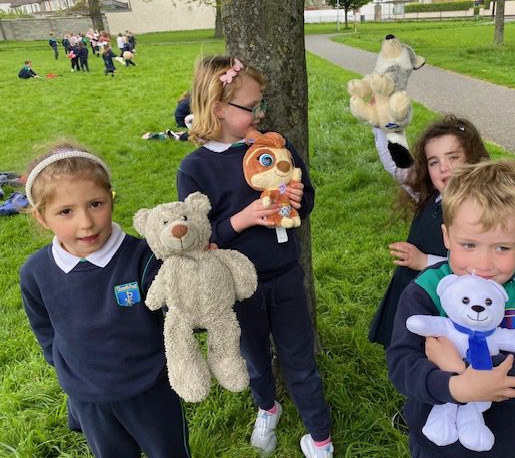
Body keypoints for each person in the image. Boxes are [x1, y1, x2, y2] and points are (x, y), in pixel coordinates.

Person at [177, 56, 333, 458]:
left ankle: (320, 438)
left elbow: (307, 200)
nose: (260, 113)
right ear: (218, 108)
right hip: (237, 286)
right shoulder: (195, 169)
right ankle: (267, 407)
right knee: (255, 359)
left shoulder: (274, 147)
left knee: (300, 361)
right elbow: (197, 239)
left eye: (259, 104)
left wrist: (298, 198)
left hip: (286, 277)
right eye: (251, 106)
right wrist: (242, 220)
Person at [387, 159, 515, 458]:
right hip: (434, 443)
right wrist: (456, 388)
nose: (483, 265)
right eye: (469, 245)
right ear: (447, 237)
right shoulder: (427, 289)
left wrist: (467, 369)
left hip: (502, 445)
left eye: (502, 248)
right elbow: (402, 364)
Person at [19, 143, 191, 458]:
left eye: (95, 204)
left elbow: (180, 312)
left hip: (151, 389)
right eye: (66, 211)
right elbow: (44, 327)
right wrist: (66, 367)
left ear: (111, 198)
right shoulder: (35, 272)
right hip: (89, 398)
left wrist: (191, 279)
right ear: (42, 217)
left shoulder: (143, 256)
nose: (86, 222)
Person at [369, 116, 490, 350]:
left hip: (446, 301)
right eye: (434, 162)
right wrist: (383, 122)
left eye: (453, 157)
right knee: (405, 346)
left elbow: (476, 268)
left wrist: (423, 261)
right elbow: (397, 164)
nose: (444, 167)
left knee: (435, 351)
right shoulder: (429, 196)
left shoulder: (480, 212)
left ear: (473, 159)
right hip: (412, 288)